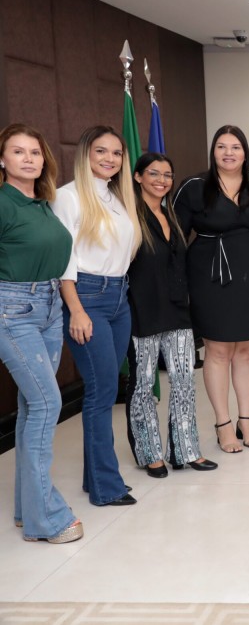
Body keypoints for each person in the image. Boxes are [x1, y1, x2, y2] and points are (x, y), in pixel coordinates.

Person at [0, 123, 83, 542]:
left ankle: (26, 510)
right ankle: (46, 519)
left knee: (32, 406)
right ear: (2, 159)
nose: (28, 158)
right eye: (18, 151)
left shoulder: (41, 203)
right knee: (48, 403)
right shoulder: (3, 203)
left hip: (49, 308)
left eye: (34, 152)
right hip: (14, 310)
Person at [53, 125, 141, 506]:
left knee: (106, 387)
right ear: (85, 154)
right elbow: (64, 261)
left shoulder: (119, 197)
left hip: (119, 298)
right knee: (102, 391)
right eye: (101, 151)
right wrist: (75, 309)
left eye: (117, 153)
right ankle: (107, 486)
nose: (110, 159)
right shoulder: (68, 197)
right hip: (86, 297)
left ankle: (95, 479)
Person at [174, 125, 249, 453]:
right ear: (213, 151)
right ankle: (223, 423)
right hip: (210, 278)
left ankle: (247, 419)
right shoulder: (194, 186)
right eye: (221, 146)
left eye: (235, 147)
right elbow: (174, 238)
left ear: (245, 152)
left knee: (247, 350)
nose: (228, 153)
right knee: (217, 351)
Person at [125, 152, 217, 477]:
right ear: (137, 177)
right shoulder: (128, 216)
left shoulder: (171, 215)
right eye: (154, 173)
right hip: (143, 310)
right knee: (144, 385)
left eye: (167, 175)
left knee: (183, 381)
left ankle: (184, 449)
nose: (162, 180)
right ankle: (149, 452)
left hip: (178, 310)